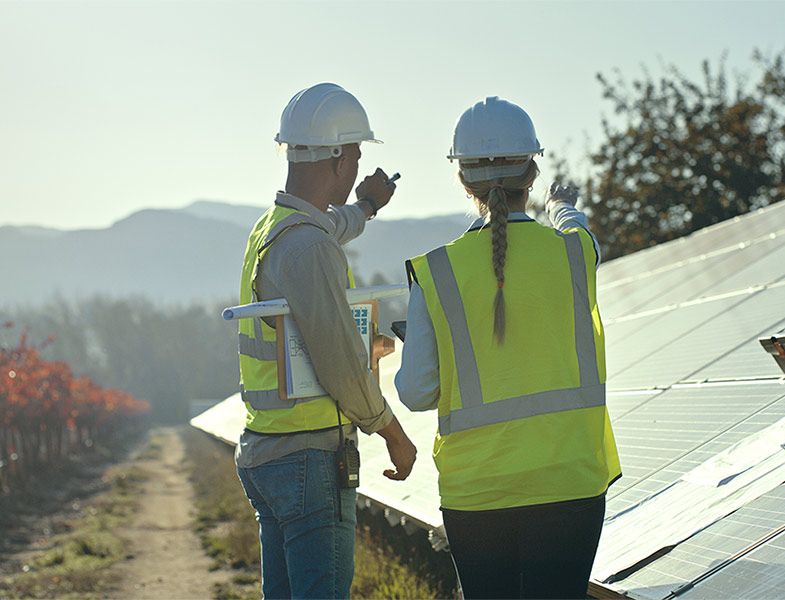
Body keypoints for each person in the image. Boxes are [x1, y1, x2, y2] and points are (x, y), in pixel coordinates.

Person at [395, 96, 621, 600]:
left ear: (462, 179)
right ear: (532, 173)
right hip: (571, 482)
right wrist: (562, 204)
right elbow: (575, 228)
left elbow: (415, 393)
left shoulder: (435, 273)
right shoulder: (574, 254)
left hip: (477, 493)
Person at [235, 82, 417, 600]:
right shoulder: (308, 249)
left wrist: (366, 208)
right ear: (336, 159)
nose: (359, 167)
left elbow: (325, 228)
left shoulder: (273, 230)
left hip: (268, 453)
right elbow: (338, 364)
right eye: (356, 156)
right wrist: (393, 434)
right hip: (309, 461)